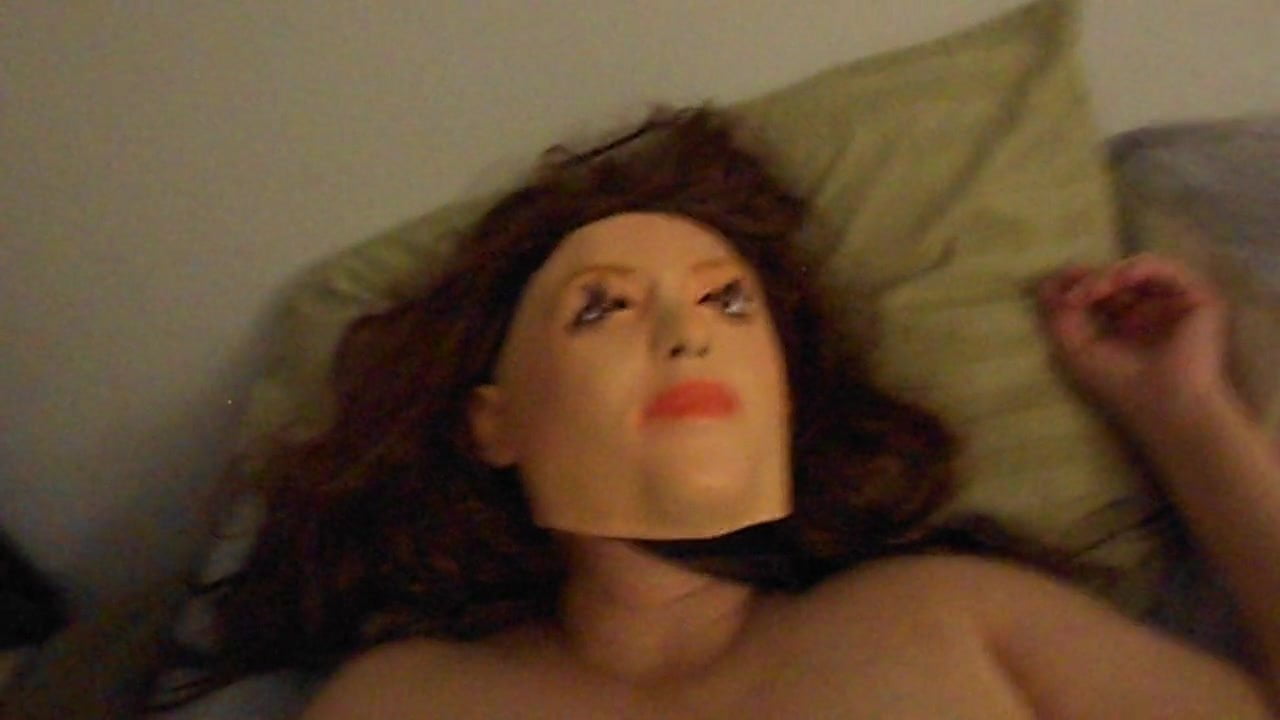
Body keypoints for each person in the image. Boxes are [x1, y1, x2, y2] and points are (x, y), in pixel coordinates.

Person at [158, 107, 1280, 718]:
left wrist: (1190, 416)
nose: (686, 337)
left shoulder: (957, 616)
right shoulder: (403, 699)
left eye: (726, 303)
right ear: (492, 422)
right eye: (603, 308)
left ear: (783, 394)